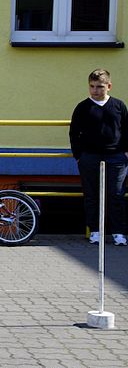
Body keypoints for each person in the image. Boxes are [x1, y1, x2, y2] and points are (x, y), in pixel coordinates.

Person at [69, 68, 128, 246]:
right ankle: (95, 231)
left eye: (100, 86)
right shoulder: (83, 107)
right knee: (91, 195)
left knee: (116, 195)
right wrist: (78, 156)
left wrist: (126, 152)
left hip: (116, 157)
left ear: (108, 86)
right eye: (92, 86)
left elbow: (126, 129)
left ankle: (119, 233)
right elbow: (74, 133)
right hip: (89, 157)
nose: (95, 90)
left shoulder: (118, 106)